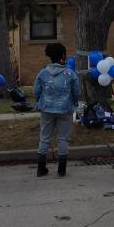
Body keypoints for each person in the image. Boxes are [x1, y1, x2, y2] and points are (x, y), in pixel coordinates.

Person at [33, 42, 81, 177]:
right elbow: (77, 92)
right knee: (63, 139)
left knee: (44, 138)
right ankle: (62, 169)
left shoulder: (42, 73)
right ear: (63, 56)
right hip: (65, 109)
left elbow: (36, 91)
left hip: (47, 109)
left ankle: (41, 168)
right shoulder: (70, 74)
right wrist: (74, 102)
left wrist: (41, 101)